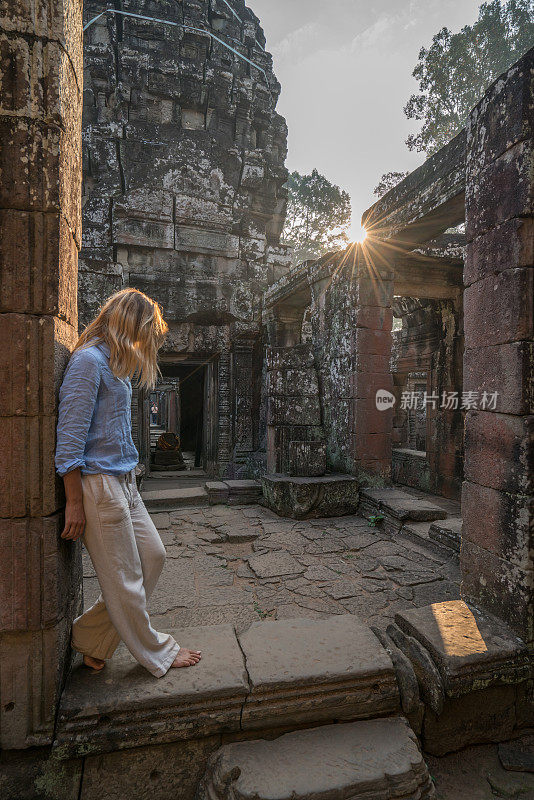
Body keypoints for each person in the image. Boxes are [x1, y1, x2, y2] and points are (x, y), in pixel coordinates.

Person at [55, 288, 202, 676]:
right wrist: (73, 503)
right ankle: (158, 652)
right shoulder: (88, 362)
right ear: (128, 324)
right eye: (145, 332)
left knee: (154, 557)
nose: (146, 341)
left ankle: (90, 637)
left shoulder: (113, 365)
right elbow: (69, 440)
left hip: (125, 482)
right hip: (99, 486)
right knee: (126, 580)